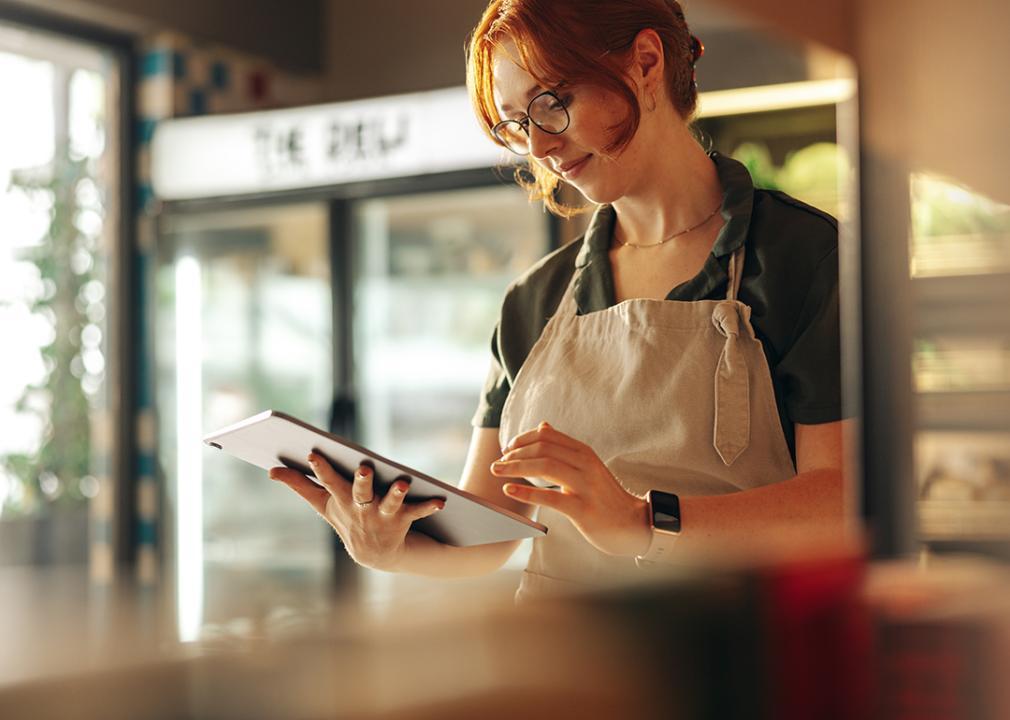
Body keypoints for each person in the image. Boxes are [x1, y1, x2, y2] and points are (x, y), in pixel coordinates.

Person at [270, 0, 849, 601]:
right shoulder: (534, 300)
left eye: (552, 104)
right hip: (559, 674)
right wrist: (392, 547)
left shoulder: (800, 256)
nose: (541, 149)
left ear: (646, 63)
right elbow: (491, 534)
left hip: (730, 667)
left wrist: (643, 524)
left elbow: (843, 499)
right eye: (517, 125)